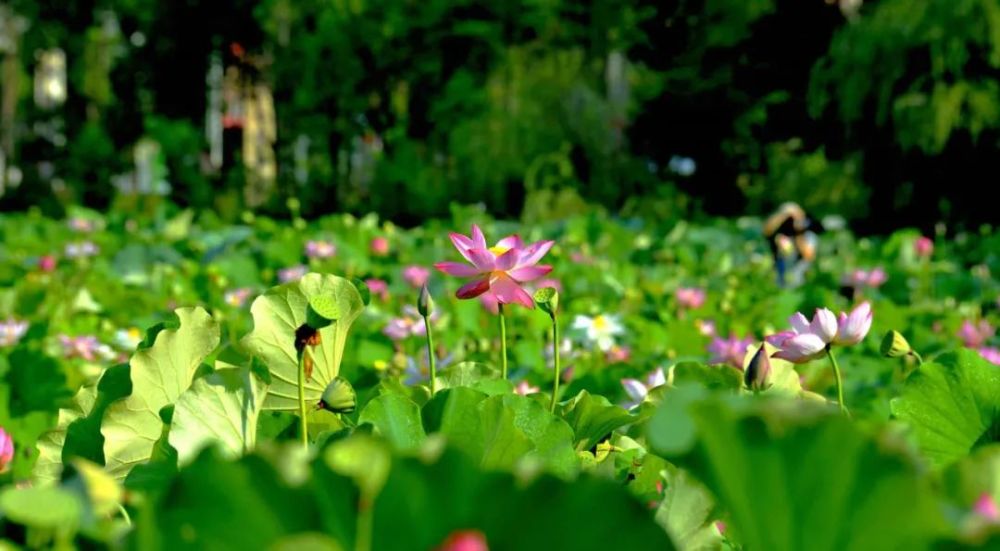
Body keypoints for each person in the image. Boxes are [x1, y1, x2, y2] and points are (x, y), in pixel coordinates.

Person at [763, 202, 822, 287]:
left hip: (799, 279)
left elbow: (809, 256)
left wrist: (799, 232)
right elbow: (767, 230)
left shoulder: (809, 235)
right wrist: (783, 215)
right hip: (779, 277)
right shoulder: (780, 235)